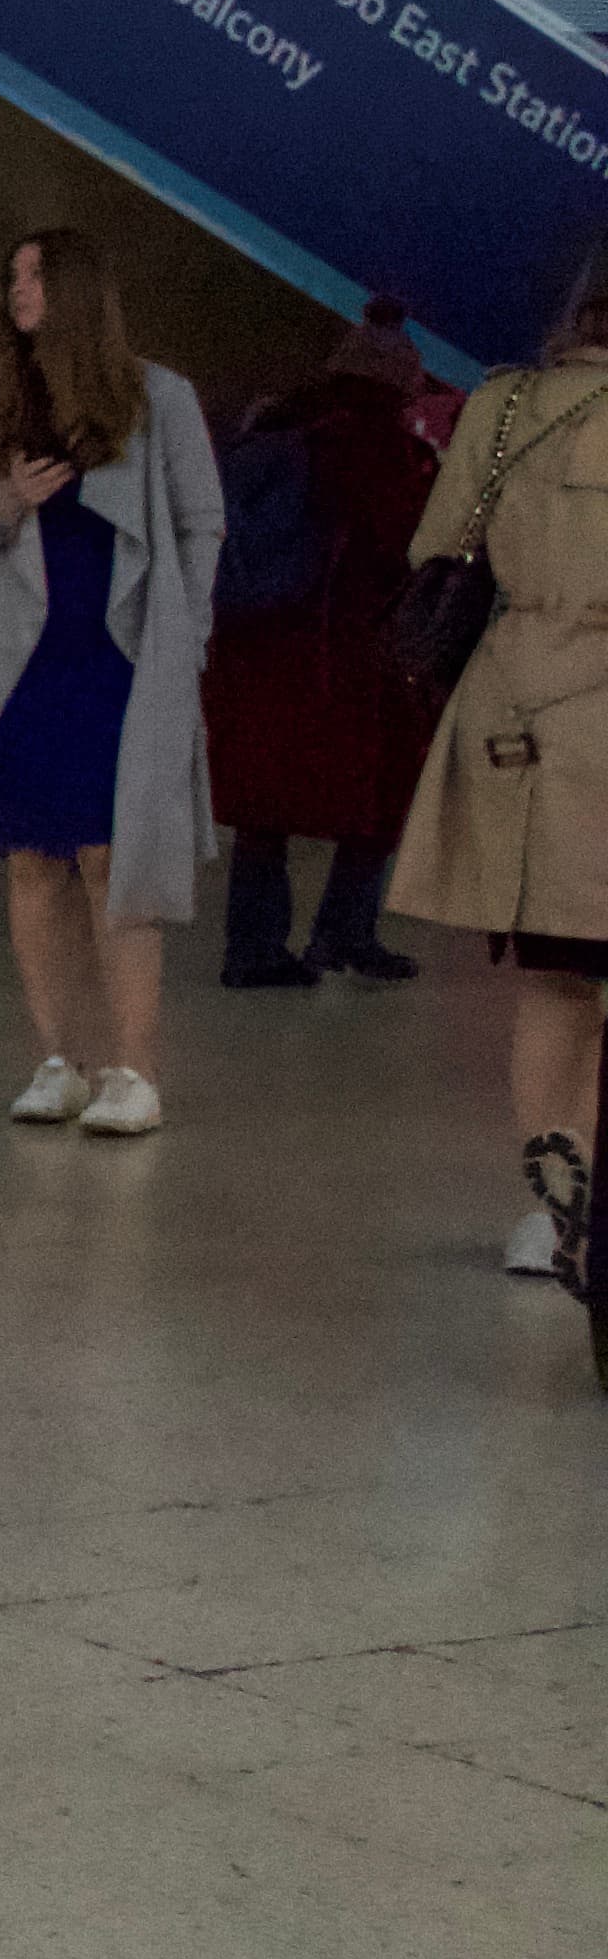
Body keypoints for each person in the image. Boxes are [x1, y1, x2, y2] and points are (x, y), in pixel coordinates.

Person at [0, 230, 221, 1140]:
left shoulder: (158, 399)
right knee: (33, 860)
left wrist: (189, 641)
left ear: (73, 288)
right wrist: (6, 504)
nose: (18, 288)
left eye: (34, 274)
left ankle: (134, 1070)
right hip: (22, 658)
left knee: (116, 862)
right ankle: (58, 1059)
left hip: (122, 659)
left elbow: (201, 525)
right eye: (13, 273)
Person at [381, 246, 608, 1274]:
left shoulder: (506, 403)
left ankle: (552, 1208)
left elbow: (440, 548)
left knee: (555, 980)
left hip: (515, 708)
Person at [205, 298, 452, 989]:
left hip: (261, 647)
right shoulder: (384, 450)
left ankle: (253, 947)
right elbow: (412, 545)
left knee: (264, 808)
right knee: (375, 800)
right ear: (401, 382)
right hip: (350, 658)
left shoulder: (274, 429)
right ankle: (344, 933)